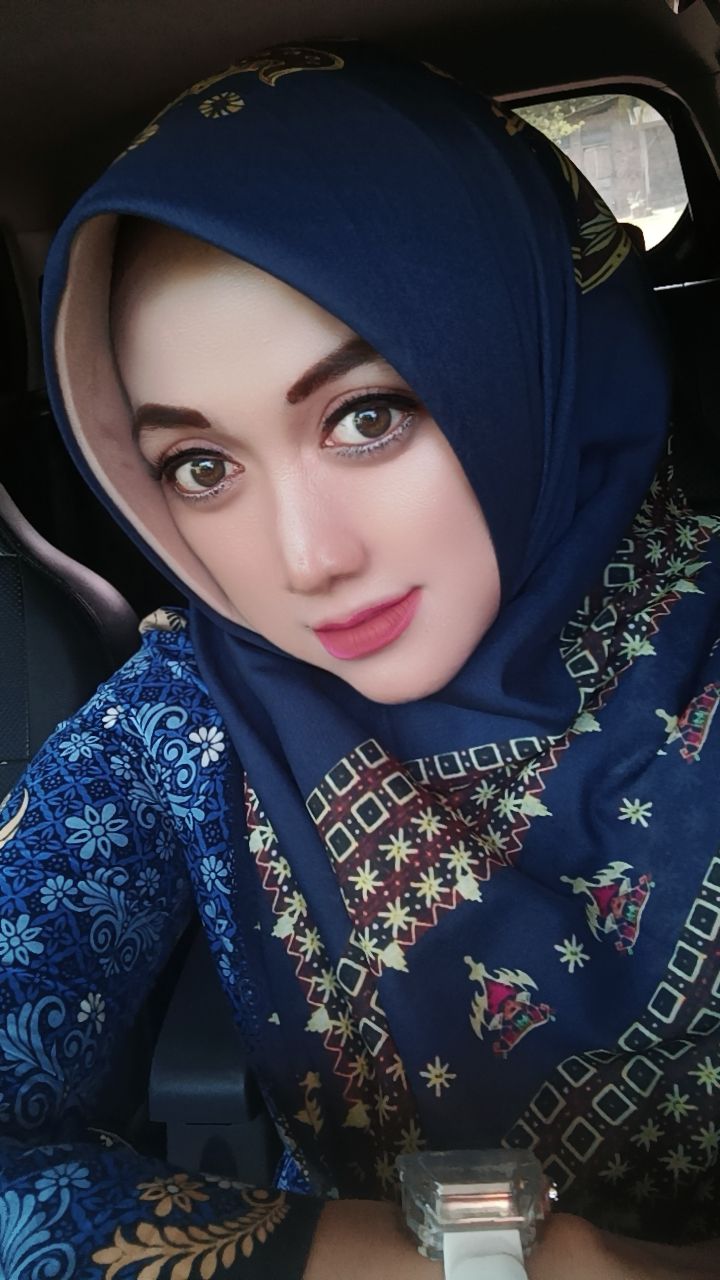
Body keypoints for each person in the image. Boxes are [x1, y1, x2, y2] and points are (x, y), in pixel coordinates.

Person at [1, 39, 720, 1279]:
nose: (303, 558)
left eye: (367, 415)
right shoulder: (185, 717)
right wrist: (405, 1260)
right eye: (200, 466)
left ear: (528, 360)